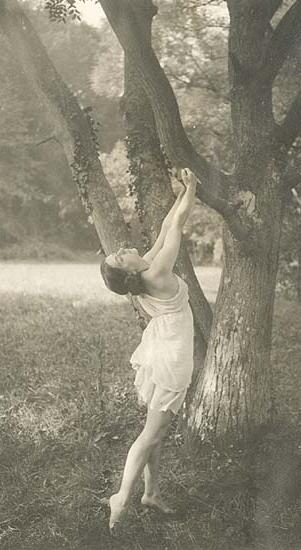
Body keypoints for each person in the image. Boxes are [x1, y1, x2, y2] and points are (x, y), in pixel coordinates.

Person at [100, 167, 197, 534]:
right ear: (127, 269)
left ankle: (151, 493)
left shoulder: (145, 272)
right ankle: (122, 495)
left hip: (162, 348)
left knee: (154, 428)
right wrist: (193, 187)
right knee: (152, 433)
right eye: (119, 255)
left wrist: (180, 193)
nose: (124, 248)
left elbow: (163, 230)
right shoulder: (154, 275)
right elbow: (178, 226)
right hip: (171, 355)